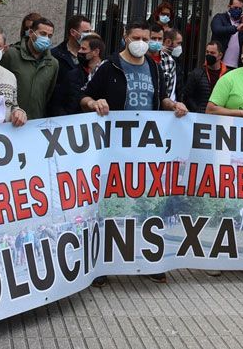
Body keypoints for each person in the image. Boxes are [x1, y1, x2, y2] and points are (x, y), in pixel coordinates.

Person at [79, 21, 189, 285]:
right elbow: (83, 97)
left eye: (146, 37)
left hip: (145, 148)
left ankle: (149, 259)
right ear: (125, 38)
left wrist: (173, 104)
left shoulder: (152, 66)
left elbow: (161, 98)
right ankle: (102, 263)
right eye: (136, 37)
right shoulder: (109, 66)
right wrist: (95, 103)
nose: (141, 42)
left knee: (146, 203)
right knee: (110, 204)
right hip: (114, 148)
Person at [0, 16, 59, 121]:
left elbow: (48, 94)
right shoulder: (11, 55)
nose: (46, 38)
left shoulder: (53, 63)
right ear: (31, 33)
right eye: (43, 34)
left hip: (34, 123)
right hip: (9, 121)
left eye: (49, 36)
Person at [48, 14, 93, 117]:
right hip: (62, 115)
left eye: (90, 31)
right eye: (86, 32)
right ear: (73, 32)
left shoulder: (90, 56)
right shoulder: (55, 56)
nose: (89, 35)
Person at [210, 0, 243, 69]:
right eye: (235, 7)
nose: (237, 10)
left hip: (238, 65)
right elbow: (217, 30)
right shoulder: (220, 17)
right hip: (220, 63)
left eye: (240, 8)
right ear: (229, 6)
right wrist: (236, 28)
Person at [183, 41, 227, 114]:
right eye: (207, 52)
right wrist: (197, 110)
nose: (209, 55)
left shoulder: (227, 75)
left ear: (220, 55)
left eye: (212, 53)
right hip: (200, 117)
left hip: (221, 117)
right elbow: (187, 96)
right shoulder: (197, 73)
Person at [161, 27, 184, 101]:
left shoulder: (176, 60)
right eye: (178, 43)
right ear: (168, 42)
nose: (180, 47)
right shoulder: (160, 60)